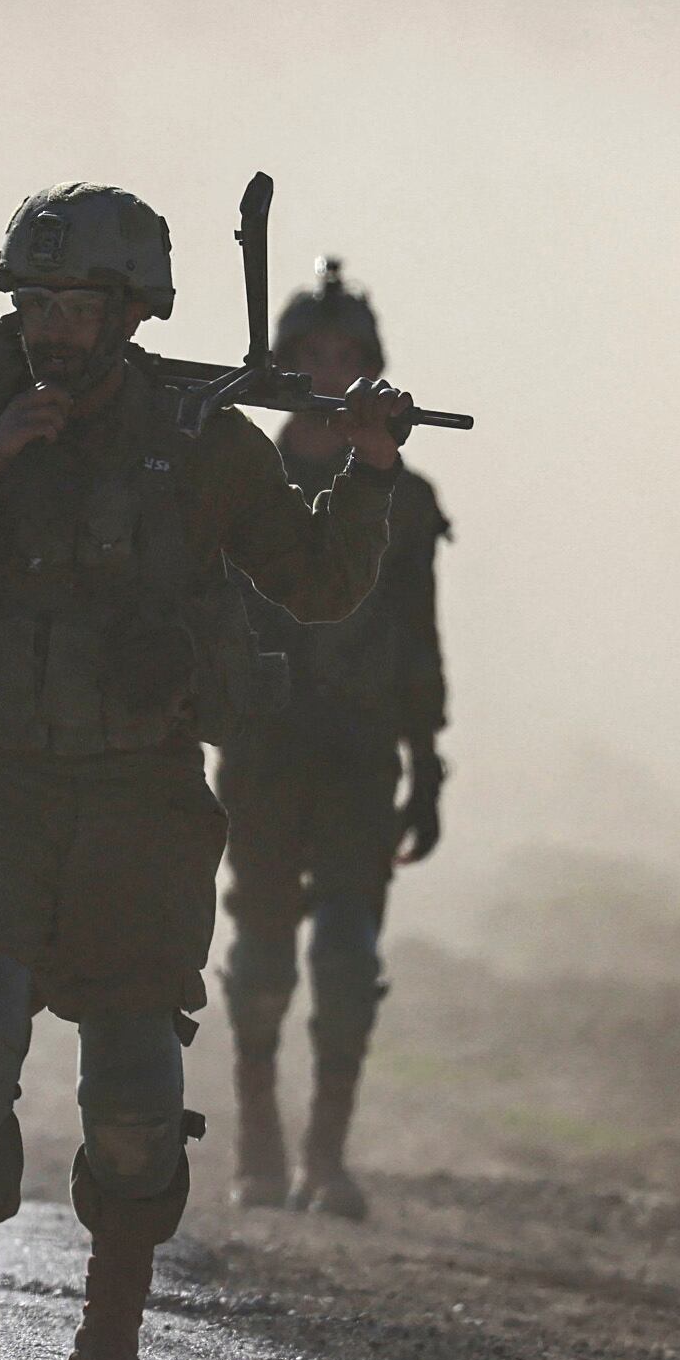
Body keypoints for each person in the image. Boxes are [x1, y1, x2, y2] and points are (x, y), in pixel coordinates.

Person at [0, 183, 413, 1360]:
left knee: (135, 1085)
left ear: (130, 310)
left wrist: (370, 473)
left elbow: (315, 583)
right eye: (34, 302)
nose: (50, 327)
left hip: (141, 801)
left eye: (76, 304)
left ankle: (108, 1351)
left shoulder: (200, 440)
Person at [216, 261, 449, 1220]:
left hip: (359, 751)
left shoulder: (403, 491)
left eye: (344, 354)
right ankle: (260, 1146)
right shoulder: (238, 470)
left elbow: (417, 635)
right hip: (263, 750)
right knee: (264, 953)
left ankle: (326, 1155)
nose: (326, 368)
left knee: (347, 956)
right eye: (309, 354)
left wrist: (427, 763)